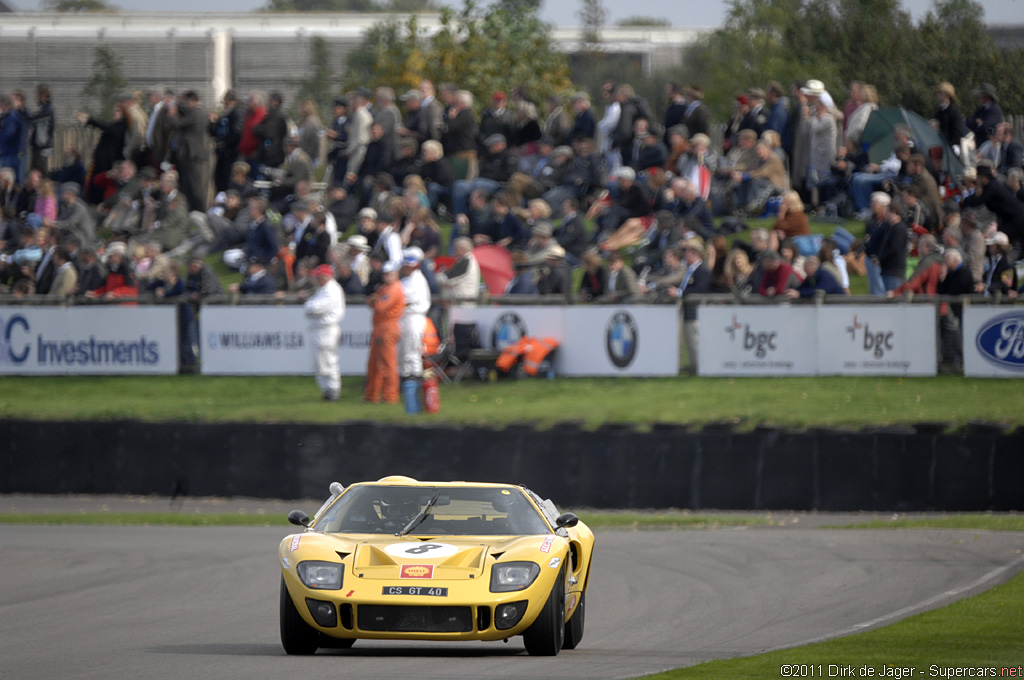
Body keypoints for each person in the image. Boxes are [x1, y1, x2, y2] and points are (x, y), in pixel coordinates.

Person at [303, 263, 345, 401]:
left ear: (325, 276)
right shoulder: (323, 289)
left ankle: (333, 390)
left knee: (328, 360)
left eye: (319, 277)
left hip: (327, 329)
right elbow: (310, 307)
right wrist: (309, 307)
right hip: (320, 329)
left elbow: (313, 308)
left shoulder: (331, 290)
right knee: (320, 362)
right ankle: (327, 390)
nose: (317, 280)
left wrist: (310, 307)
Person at [365, 261, 405, 404]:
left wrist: (375, 300)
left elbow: (379, 306)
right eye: (385, 274)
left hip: (387, 328)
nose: (387, 276)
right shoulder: (385, 288)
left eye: (390, 273)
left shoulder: (393, 289)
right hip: (380, 328)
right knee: (374, 364)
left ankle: (390, 396)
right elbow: (370, 301)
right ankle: (372, 396)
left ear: (396, 274)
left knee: (387, 364)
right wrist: (374, 300)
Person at [399, 247, 431, 383]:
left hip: (414, 317)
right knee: (404, 350)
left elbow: (403, 299)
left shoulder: (417, 279)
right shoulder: (407, 279)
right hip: (405, 318)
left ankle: (414, 378)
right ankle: (406, 377)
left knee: (412, 349)